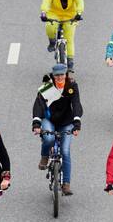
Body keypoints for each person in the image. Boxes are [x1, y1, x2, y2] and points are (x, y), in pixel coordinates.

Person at [32, 63, 82, 196]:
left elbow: (76, 104)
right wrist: (36, 124)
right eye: (57, 75)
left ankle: (66, 184)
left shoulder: (71, 86)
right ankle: (44, 156)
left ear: (66, 75)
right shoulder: (47, 87)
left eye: (62, 75)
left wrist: (76, 124)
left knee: (65, 151)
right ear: (53, 76)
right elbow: (38, 105)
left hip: (66, 122)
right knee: (48, 138)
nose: (59, 77)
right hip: (49, 120)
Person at [41, 0, 84, 70]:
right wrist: (43, 12)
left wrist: (79, 13)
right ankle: (52, 42)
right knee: (50, 26)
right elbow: (46, 1)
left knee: (69, 37)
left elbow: (80, 2)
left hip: (70, 15)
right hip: (54, 13)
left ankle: (70, 60)